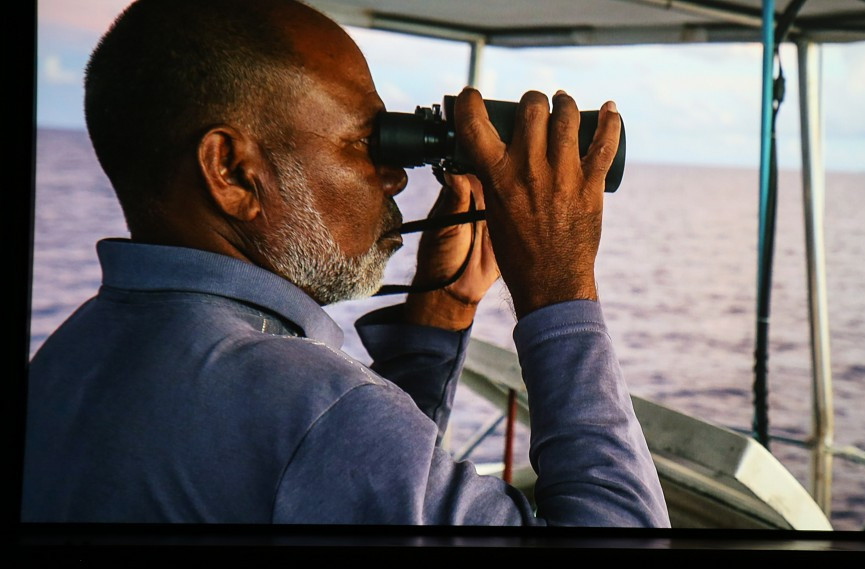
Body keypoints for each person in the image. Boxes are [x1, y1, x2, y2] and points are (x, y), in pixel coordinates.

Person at [21, 0, 669, 527]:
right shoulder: (311, 408)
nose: (392, 176)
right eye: (366, 141)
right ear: (233, 172)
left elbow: (346, 479)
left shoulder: (67, 360)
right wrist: (559, 291)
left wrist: (438, 312)